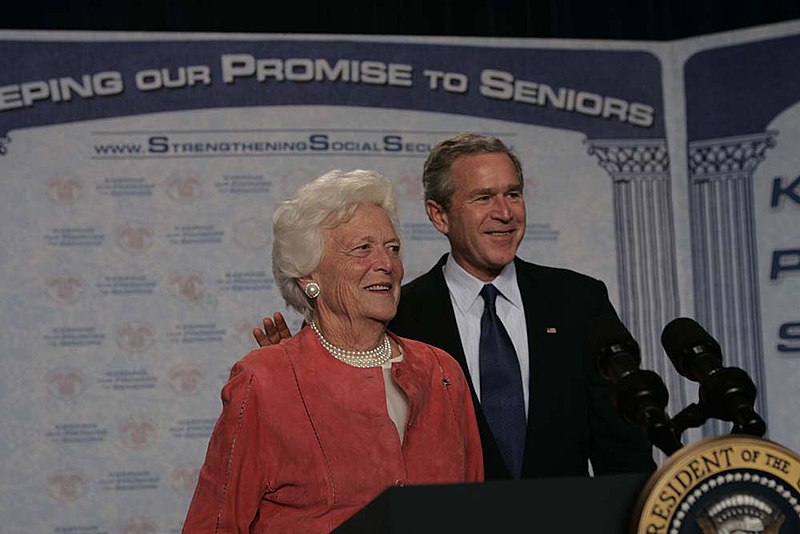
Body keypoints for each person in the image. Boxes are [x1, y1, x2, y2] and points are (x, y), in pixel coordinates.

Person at [255, 133, 656, 481]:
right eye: (484, 197)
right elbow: (355, 453)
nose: (505, 213)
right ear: (438, 215)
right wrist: (300, 381)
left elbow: (624, 453)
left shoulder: (578, 301)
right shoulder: (397, 314)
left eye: (512, 194)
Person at [184, 169, 483, 533]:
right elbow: (215, 525)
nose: (386, 264)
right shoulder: (263, 382)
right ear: (309, 276)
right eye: (362, 248)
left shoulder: (442, 373)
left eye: (393, 249)